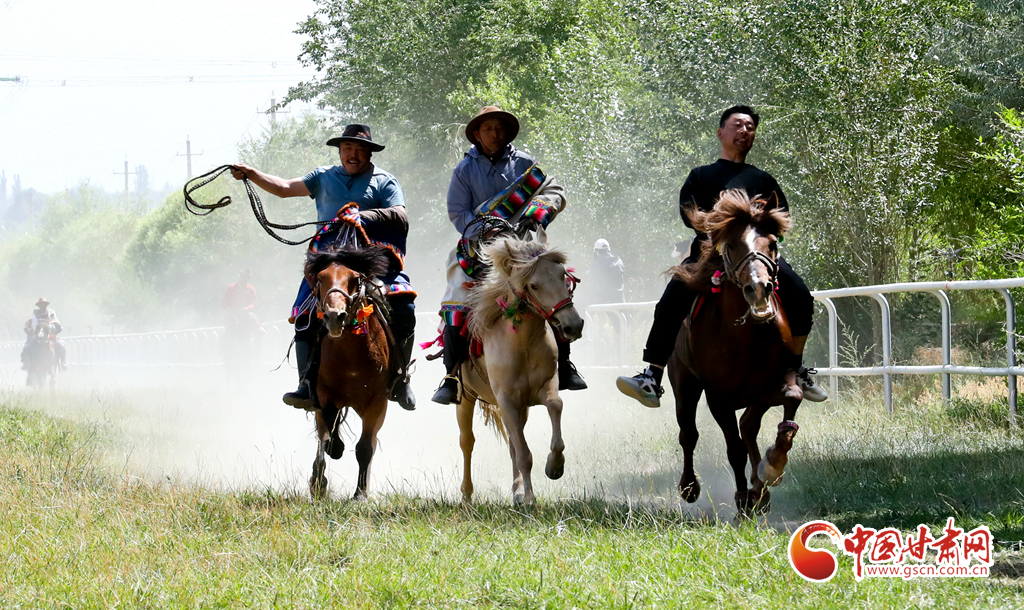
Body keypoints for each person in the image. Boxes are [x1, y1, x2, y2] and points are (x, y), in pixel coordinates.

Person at [616, 105, 827, 408]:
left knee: (801, 295)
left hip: (755, 255)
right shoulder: (701, 176)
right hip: (708, 255)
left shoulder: (763, 179)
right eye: (738, 125)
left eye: (750, 127)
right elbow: (688, 216)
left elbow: (780, 217)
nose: (745, 131)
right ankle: (652, 375)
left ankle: (796, 369)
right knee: (670, 300)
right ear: (720, 132)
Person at [230, 124, 417, 411]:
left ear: (368, 152)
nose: (352, 154)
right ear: (340, 151)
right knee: (304, 314)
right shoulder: (323, 177)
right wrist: (252, 174)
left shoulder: (385, 181)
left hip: (368, 260)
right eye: (347, 149)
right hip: (325, 260)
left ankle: (401, 380)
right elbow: (282, 188)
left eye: (358, 149)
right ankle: (306, 383)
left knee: (405, 308)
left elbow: (400, 215)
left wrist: (362, 216)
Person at [431, 106, 587, 404]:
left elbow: (555, 190)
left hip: (525, 250)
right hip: (477, 252)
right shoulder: (464, 170)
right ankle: (451, 377)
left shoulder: (526, 164)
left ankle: (565, 367)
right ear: (477, 134)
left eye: (500, 128)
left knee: (556, 294)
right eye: (488, 128)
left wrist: (536, 212)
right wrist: (482, 229)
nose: (495, 133)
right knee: (455, 304)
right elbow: (457, 212)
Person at [21, 297, 66, 371]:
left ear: (46, 305)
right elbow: (35, 325)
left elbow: (56, 322)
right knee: (27, 346)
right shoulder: (36, 313)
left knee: (61, 344)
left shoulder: (51, 312)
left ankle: (63, 362)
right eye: (40, 304)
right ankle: (26, 363)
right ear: (38, 305)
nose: (42, 306)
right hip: (39, 334)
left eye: (44, 304)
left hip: (51, 333)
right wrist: (37, 332)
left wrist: (54, 328)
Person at [586, 239, 625, 306]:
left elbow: (588, 278)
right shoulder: (619, 261)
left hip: (603, 301)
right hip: (620, 300)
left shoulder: (596, 264)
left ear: (596, 251)